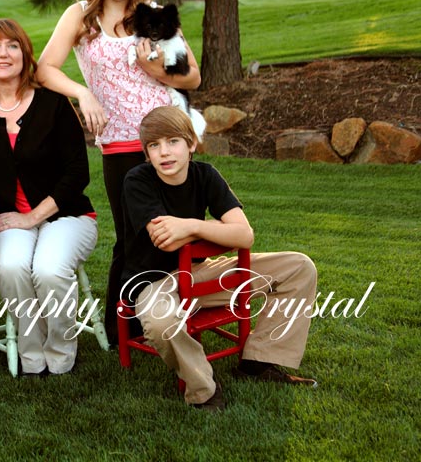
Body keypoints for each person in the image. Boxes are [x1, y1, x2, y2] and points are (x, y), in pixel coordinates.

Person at [36, 0, 201, 342]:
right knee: (132, 236)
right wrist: (83, 93)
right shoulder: (81, 16)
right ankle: (123, 329)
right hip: (120, 143)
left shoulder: (154, 15)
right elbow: (44, 69)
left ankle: (178, 316)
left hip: (169, 138)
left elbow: (192, 76)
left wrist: (154, 69)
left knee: (179, 232)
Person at [120, 106, 318, 411]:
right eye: (154, 145)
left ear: (191, 144)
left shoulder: (206, 175)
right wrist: (219, 230)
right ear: (147, 154)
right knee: (160, 323)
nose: (164, 152)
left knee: (298, 267)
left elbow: (244, 235)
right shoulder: (138, 180)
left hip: (200, 273)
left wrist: (193, 226)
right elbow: (167, 242)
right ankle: (203, 389)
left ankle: (258, 361)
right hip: (154, 282)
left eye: (173, 141)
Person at [0, 19, 98, 376]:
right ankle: (32, 355)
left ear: (25, 55)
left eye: (12, 46)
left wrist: (32, 217)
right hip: (10, 218)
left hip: (66, 215)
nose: (3, 54)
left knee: (48, 269)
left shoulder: (54, 104)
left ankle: (60, 353)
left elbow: (77, 173)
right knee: (12, 268)